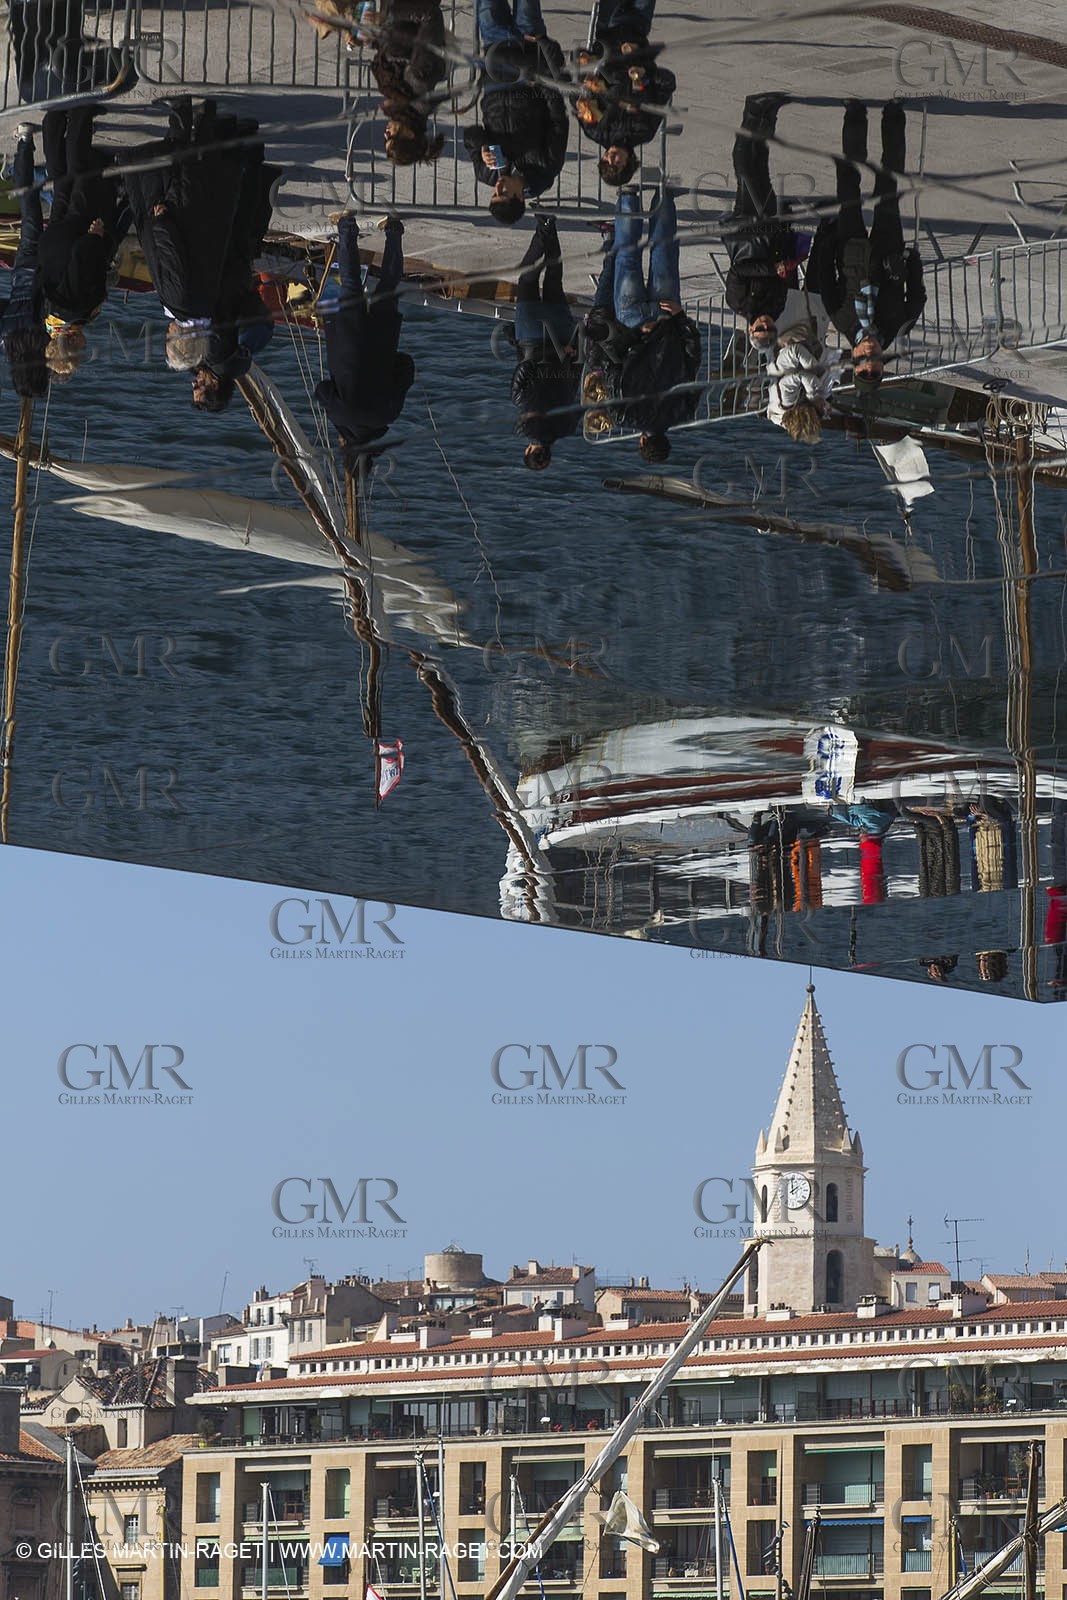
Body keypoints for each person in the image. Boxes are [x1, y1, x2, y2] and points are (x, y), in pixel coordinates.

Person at [122, 98, 249, 380]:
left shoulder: (203, 309)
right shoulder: (178, 302)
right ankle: (182, 111)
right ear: (179, 339)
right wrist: (161, 223)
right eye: (169, 342)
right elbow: (171, 258)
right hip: (179, 219)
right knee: (177, 167)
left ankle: (206, 115)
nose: (165, 336)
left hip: (205, 225)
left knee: (197, 168)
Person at [804, 100, 926, 391]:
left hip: (851, 249)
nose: (870, 350)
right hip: (887, 248)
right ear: (883, 359)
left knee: (847, 181)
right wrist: (910, 263)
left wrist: (829, 245)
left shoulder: (843, 320)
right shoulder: (898, 326)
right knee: (889, 180)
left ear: (855, 355)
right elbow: (917, 298)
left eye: (864, 356)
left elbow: (825, 279)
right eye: (876, 357)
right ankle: (894, 115)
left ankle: (854, 115)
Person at [315, 212, 414, 462]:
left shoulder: (387, 416)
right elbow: (323, 390)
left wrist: (390, 359)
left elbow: (406, 371)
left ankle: (394, 231)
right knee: (350, 283)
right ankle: (346, 226)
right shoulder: (341, 417)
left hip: (382, 340)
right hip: (348, 336)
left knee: (388, 285)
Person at [611, 188, 701, 460]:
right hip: (633, 320)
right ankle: (628, 197)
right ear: (641, 442)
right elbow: (613, 365)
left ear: (667, 440)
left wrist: (680, 318)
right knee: (627, 256)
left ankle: (663, 196)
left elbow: (693, 357)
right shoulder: (621, 415)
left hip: (666, 318)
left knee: (664, 253)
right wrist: (635, 335)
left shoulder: (683, 412)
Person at [463, 0, 568, 224]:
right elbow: (558, 120)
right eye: (504, 193)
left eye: (494, 193)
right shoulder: (545, 168)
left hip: (496, 60)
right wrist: (542, 84)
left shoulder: (487, 173)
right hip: (528, 53)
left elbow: (470, 134)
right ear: (520, 197)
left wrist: (481, 147)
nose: (498, 187)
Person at [722, 93, 805, 350]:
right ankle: (767, 117)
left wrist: (772, 269)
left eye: (760, 329)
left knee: (746, 171)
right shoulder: (777, 306)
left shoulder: (738, 303)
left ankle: (753, 112)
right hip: (770, 232)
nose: (765, 324)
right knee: (761, 170)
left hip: (746, 231)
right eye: (769, 329)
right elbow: (787, 277)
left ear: (750, 329)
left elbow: (738, 271)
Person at [38, 105, 127, 332]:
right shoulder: (48, 318)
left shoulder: (80, 311)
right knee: (60, 184)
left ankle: (81, 116)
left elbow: (81, 261)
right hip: (51, 246)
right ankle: (53, 122)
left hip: (72, 240)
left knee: (81, 176)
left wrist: (93, 237)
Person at [574, 0, 675, 189]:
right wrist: (645, 75)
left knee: (614, 18)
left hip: (607, 43)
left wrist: (582, 96)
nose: (611, 157)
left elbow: (577, 92)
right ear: (629, 161)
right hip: (635, 38)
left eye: (607, 160)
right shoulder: (643, 130)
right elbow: (667, 84)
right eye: (618, 162)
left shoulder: (595, 130)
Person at [509, 213, 578, 468]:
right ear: (528, 450)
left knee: (554, 278)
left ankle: (551, 226)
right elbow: (524, 369)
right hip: (531, 335)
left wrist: (569, 352)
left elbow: (574, 385)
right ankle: (541, 229)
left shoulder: (567, 425)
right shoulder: (523, 413)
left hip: (561, 336)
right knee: (527, 279)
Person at [0, 124, 48, 397]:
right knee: (28, 209)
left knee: (59, 210)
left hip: (48, 268)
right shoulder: (8, 340)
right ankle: (24, 142)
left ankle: (52, 152)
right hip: (23, 268)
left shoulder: (43, 340)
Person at [765, 339, 841, 443]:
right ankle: (836, 356)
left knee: (816, 376)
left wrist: (814, 397)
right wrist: (824, 410)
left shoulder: (785, 400)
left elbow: (800, 376)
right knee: (821, 390)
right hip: (796, 375)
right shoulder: (787, 418)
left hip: (790, 354)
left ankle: (832, 352)